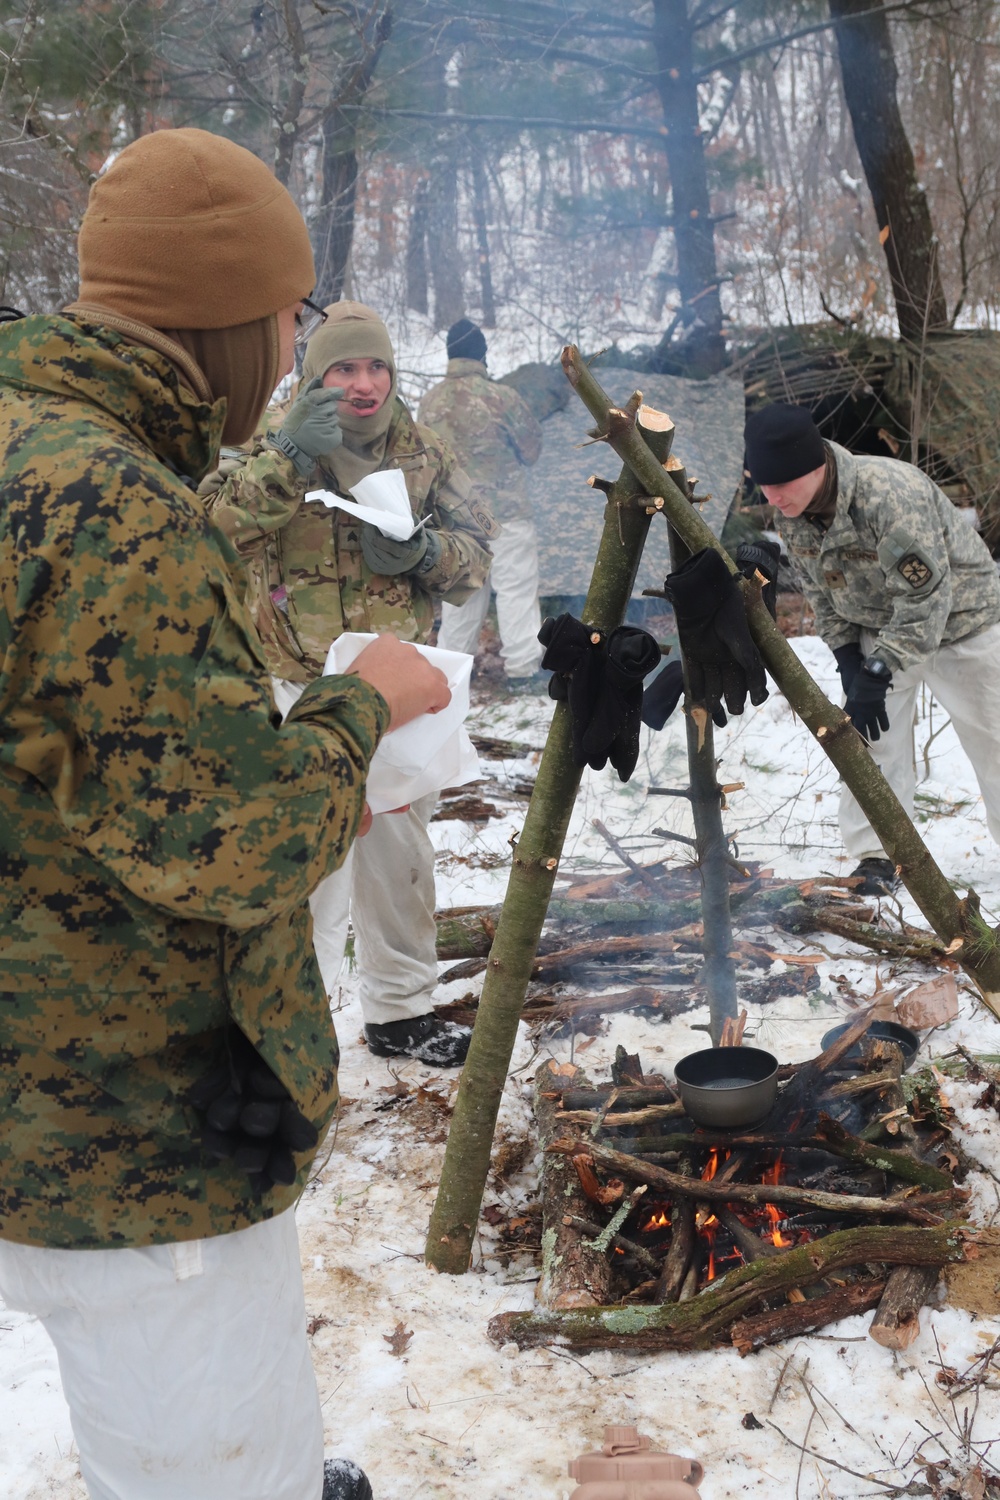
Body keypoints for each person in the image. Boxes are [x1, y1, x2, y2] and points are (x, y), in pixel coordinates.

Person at [0, 127, 451, 1500]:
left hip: (23, 1056)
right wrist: (356, 712)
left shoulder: (23, 438)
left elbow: (78, 746)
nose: (298, 346)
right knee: (204, 1454)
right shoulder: (114, 504)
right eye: (290, 315)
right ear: (235, 319)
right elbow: (225, 841)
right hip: (125, 1106)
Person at [201, 302, 496, 1066]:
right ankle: (282, 1026)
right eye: (344, 368)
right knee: (302, 865)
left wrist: (428, 555)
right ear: (314, 374)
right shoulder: (268, 441)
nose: (364, 385)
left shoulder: (425, 450)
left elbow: (479, 556)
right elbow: (206, 536)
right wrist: (289, 460)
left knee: (399, 857)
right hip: (294, 689)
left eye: (377, 368)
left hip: (399, 693)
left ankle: (400, 1012)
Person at [744, 401, 1000, 894]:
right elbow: (820, 588)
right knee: (870, 741)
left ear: (817, 465)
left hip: (963, 622)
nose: (773, 498)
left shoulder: (890, 493)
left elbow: (928, 596)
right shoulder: (793, 514)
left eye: (783, 484)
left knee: (993, 739)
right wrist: (845, 655)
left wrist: (880, 670)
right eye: (764, 485)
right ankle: (878, 856)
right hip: (876, 625)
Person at [419, 317, 546, 689]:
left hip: (454, 518)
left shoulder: (428, 403)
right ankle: (524, 670)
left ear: (449, 354)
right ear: (483, 355)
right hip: (505, 513)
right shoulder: (502, 398)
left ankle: (447, 675)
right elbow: (532, 450)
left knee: (461, 598)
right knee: (516, 591)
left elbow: (422, 459)